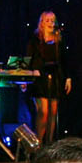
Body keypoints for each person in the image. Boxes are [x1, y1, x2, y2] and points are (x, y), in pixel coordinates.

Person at [26, 11, 71, 145]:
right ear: (42, 23)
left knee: (53, 112)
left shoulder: (58, 40)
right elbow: (29, 58)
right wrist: (29, 74)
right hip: (40, 78)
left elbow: (64, 60)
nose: (50, 23)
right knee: (43, 112)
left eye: (52, 20)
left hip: (55, 78)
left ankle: (49, 143)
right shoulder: (35, 39)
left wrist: (68, 78)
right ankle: (38, 144)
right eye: (47, 20)